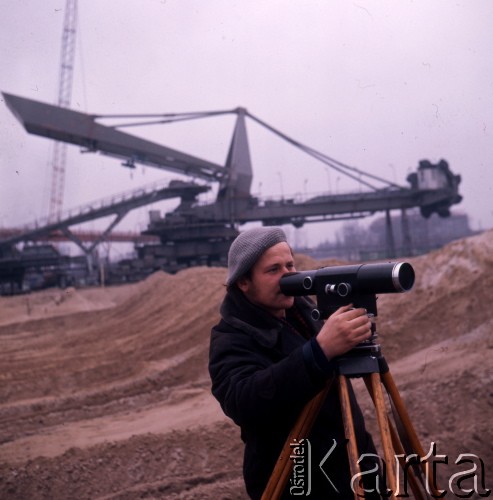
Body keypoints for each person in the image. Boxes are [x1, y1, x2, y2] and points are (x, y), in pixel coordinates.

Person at [209, 226, 381, 499]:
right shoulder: (231, 336)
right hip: (296, 480)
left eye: (290, 265)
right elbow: (243, 401)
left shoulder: (303, 311)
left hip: (353, 466)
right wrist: (320, 351)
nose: (288, 276)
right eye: (273, 270)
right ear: (244, 281)